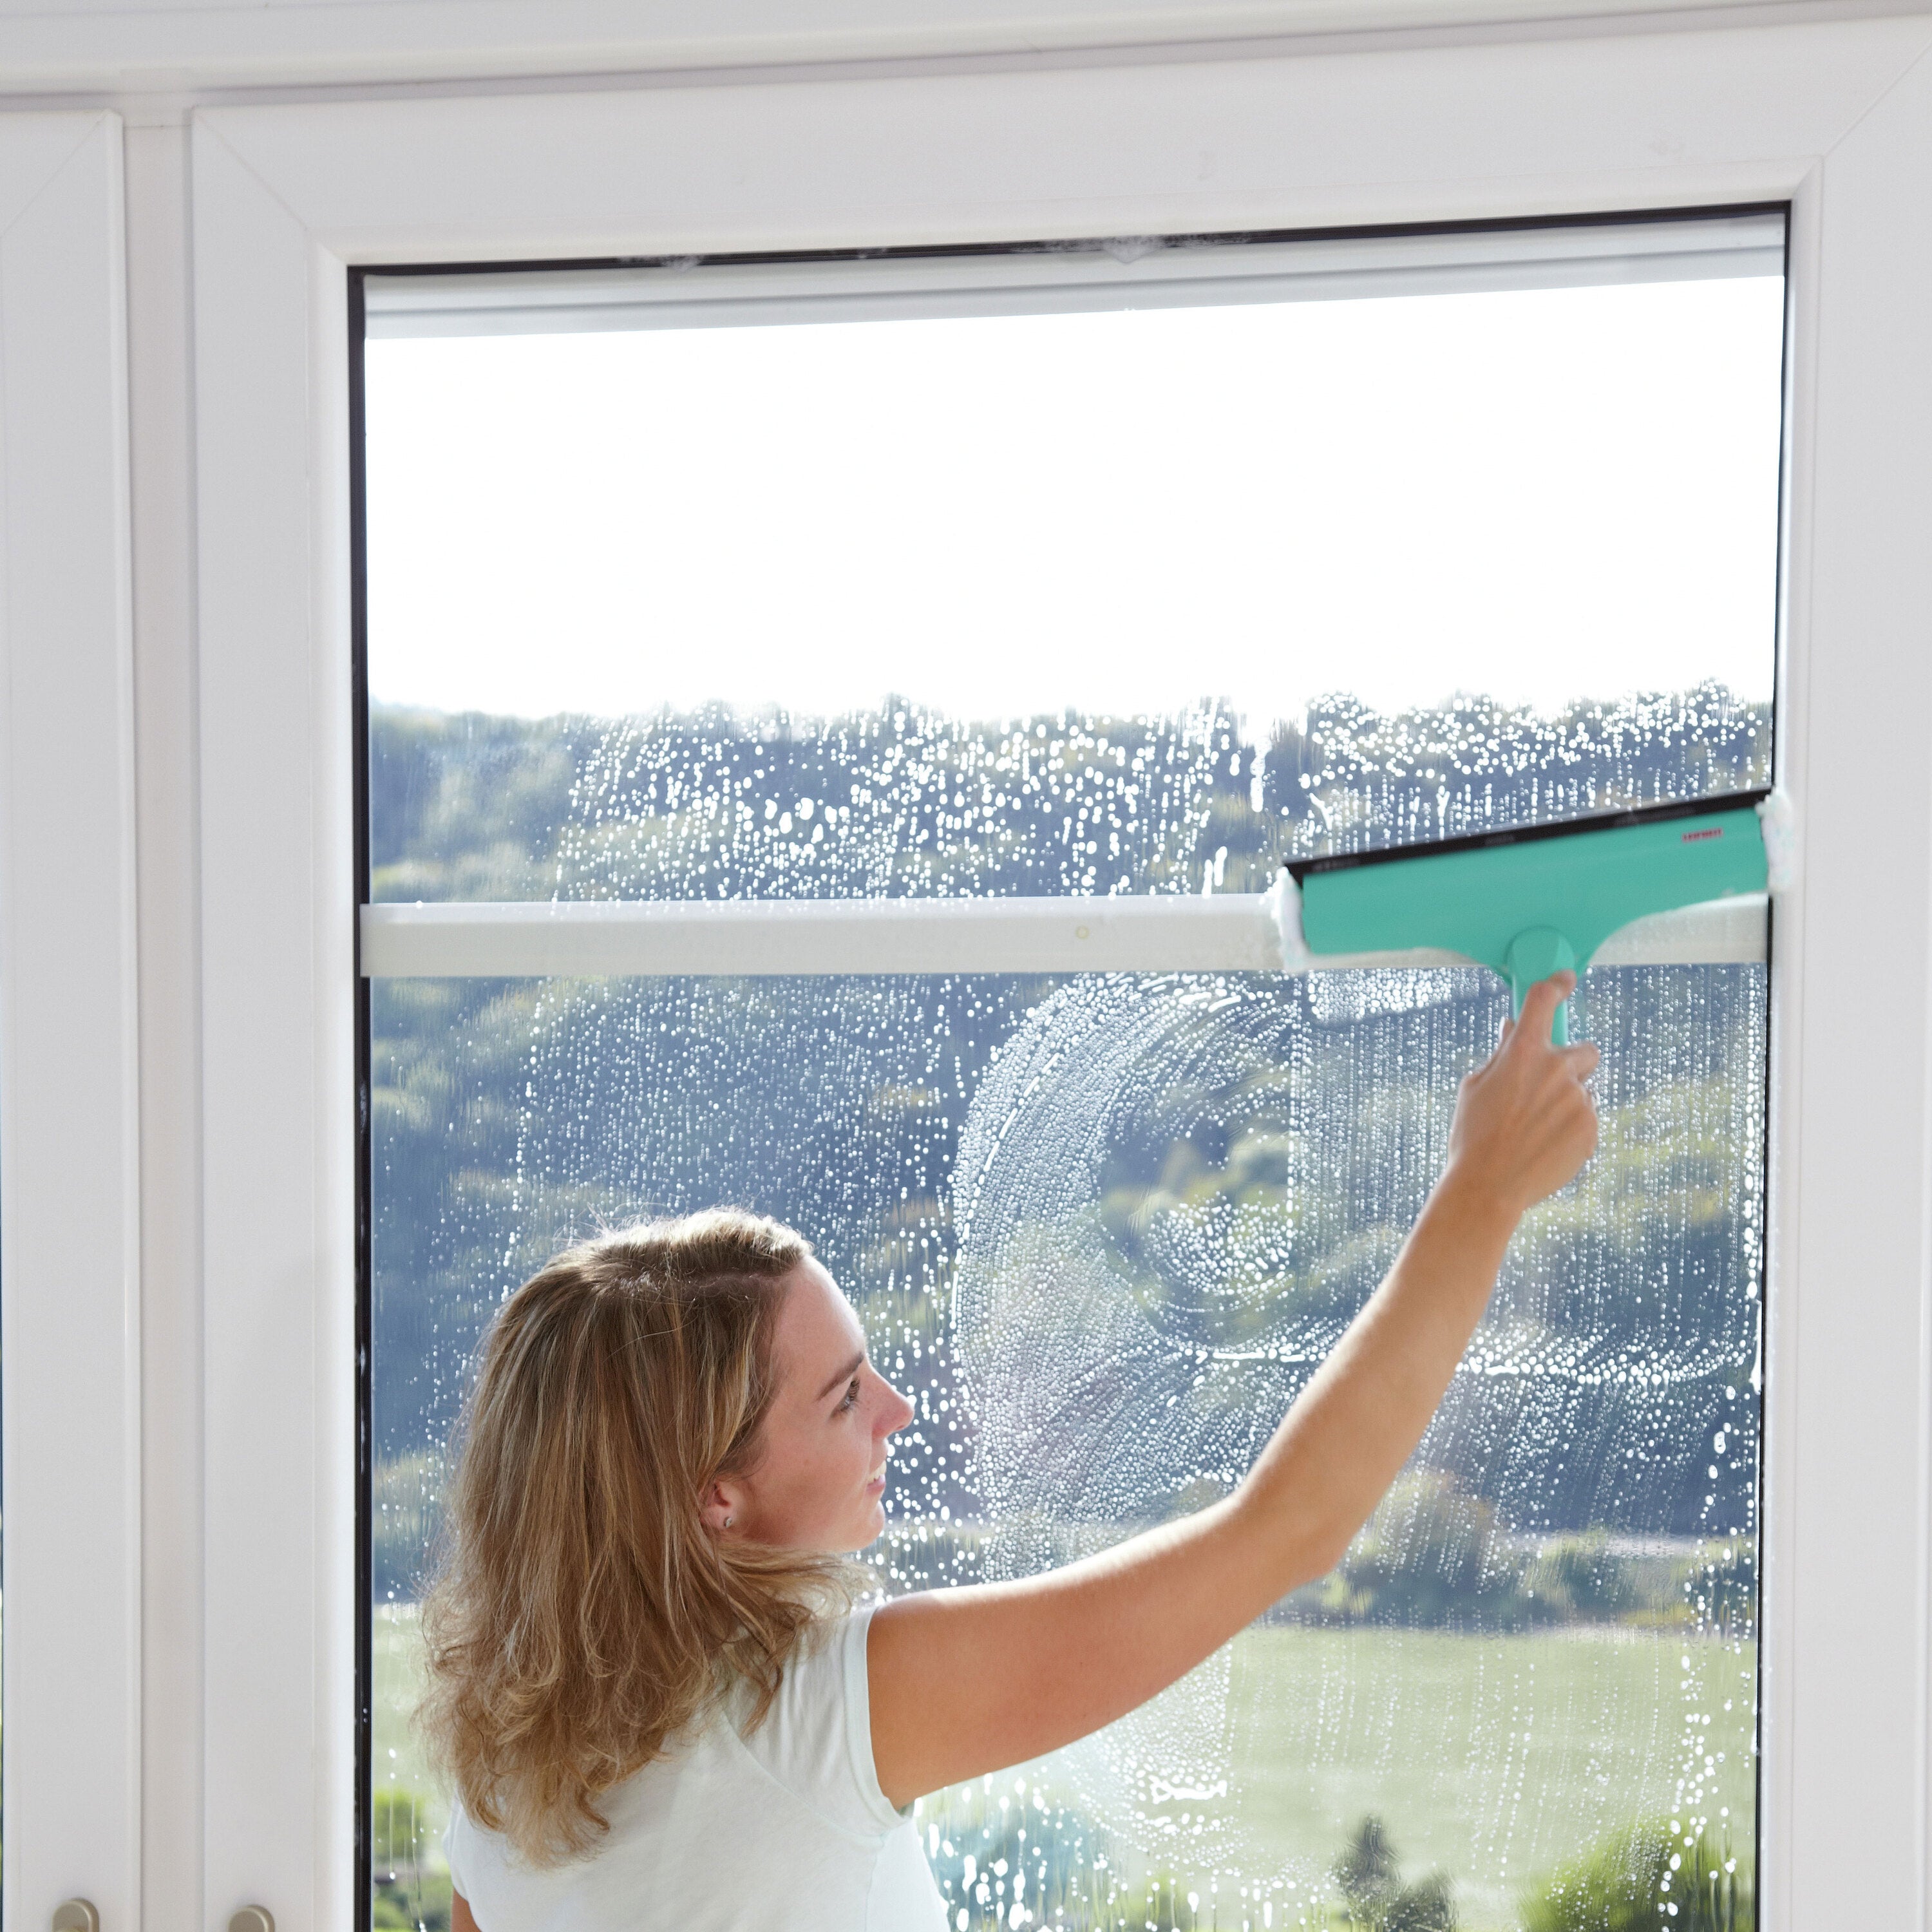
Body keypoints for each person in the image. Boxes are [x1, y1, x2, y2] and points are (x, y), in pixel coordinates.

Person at [422, 972, 1598, 1931]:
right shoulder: (829, 1713)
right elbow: (1287, 1529)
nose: (898, 1411)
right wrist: (1482, 1191)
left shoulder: (504, 1774)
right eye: (843, 1397)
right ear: (714, 1498)